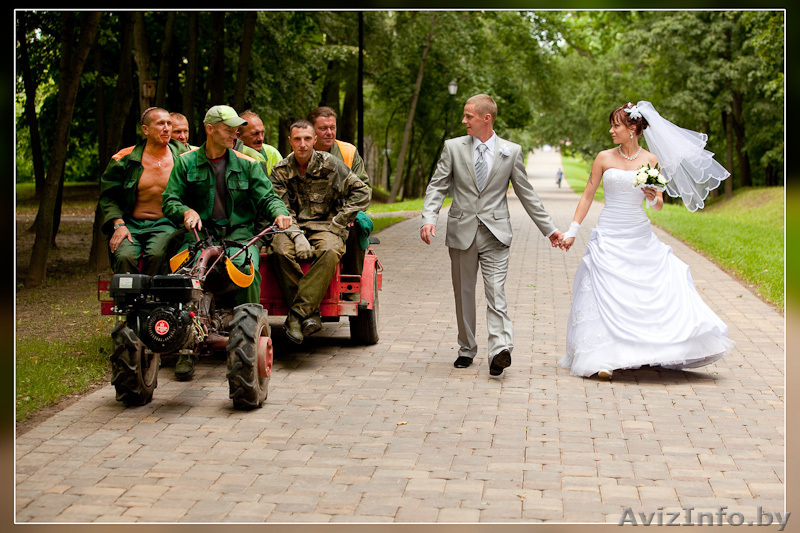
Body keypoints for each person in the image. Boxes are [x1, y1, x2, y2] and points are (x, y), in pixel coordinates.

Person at [558, 101, 733, 379]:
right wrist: (572, 230)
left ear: (633, 129)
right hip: (609, 233)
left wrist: (654, 198)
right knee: (603, 290)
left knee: (644, 291)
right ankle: (602, 357)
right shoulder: (603, 157)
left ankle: (646, 352)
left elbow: (659, 203)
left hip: (638, 233)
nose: (611, 130)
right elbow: (587, 195)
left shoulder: (650, 160)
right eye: (612, 125)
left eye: (616, 125)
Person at [420, 94, 564, 377]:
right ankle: (466, 348)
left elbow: (527, 194)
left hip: (496, 234)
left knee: (496, 292)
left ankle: (500, 350)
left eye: (468, 116)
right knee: (464, 295)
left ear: (487, 118)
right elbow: (437, 186)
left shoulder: (511, 151)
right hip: (462, 232)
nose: (464, 121)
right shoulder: (453, 148)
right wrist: (428, 218)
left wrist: (550, 229)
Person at [162, 105, 292, 380]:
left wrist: (279, 212)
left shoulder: (247, 164)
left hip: (239, 236)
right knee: (184, 277)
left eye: (236, 127)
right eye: (228, 127)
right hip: (199, 236)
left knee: (248, 272)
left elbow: (268, 198)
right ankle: (185, 348)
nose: (235, 132)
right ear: (210, 130)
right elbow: (170, 200)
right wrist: (185, 211)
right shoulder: (185, 163)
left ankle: (247, 342)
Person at [268, 119, 371, 344]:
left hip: (326, 226)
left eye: (307, 138)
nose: (302, 144)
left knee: (331, 250)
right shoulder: (280, 171)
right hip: (290, 228)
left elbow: (362, 192)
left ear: (314, 140)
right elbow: (280, 207)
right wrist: (296, 236)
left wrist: (340, 221)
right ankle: (309, 313)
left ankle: (296, 315)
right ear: (290, 141)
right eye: (297, 139)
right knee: (277, 250)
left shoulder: (331, 164)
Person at [98, 107, 187, 276]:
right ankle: (128, 300)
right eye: (160, 124)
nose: (167, 128)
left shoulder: (185, 156)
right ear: (145, 129)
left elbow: (217, 151)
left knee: (158, 254)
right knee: (124, 256)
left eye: (169, 123)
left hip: (166, 223)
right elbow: (109, 197)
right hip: (130, 223)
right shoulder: (124, 159)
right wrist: (119, 224)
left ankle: (153, 299)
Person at [307, 106, 372, 299]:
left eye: (332, 127)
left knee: (356, 225)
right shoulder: (302, 149)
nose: (329, 132)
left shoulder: (348, 152)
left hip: (344, 211)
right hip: (311, 213)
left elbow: (364, 188)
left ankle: (351, 283)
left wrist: (348, 213)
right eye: (323, 128)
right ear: (312, 130)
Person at [235, 109, 283, 175]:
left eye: (262, 133)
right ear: (239, 135)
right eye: (255, 133)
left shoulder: (272, 153)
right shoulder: (231, 154)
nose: (260, 138)